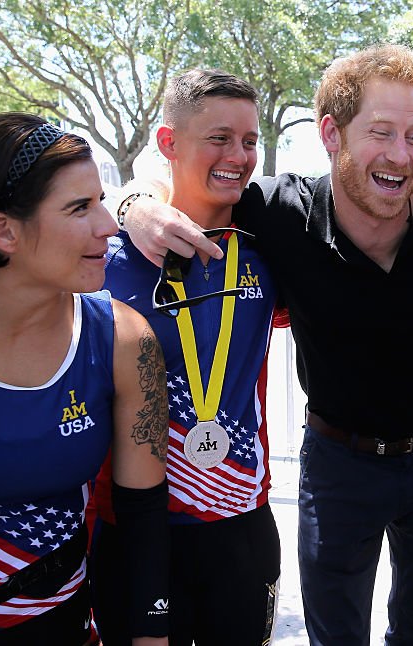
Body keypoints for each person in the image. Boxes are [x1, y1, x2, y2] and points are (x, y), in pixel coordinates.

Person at [122, 45, 413, 645]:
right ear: (331, 133)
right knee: (336, 636)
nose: (401, 156)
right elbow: (189, 172)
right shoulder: (277, 212)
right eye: (380, 133)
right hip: (336, 464)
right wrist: (133, 204)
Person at [0, 113, 169, 645]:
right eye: (78, 208)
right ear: (3, 231)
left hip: (66, 626)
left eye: (101, 202)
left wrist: (151, 636)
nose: (109, 226)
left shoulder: (124, 339)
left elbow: (142, 518)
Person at [90, 69, 283, 646]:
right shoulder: (101, 259)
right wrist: (132, 201)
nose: (239, 156)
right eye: (219, 138)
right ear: (168, 143)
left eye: (250, 141)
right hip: (130, 525)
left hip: (240, 521)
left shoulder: (270, 247)